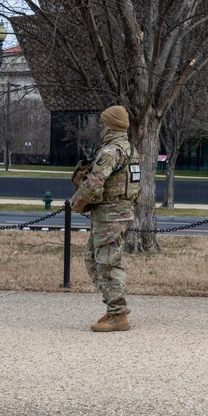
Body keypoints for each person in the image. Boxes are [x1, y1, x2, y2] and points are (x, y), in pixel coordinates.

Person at [70, 105, 141, 333]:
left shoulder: (111, 151)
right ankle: (113, 304)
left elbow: (94, 183)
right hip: (114, 213)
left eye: (102, 123)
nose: (100, 127)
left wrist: (76, 203)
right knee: (92, 257)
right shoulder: (130, 149)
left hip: (110, 215)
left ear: (109, 125)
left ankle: (118, 314)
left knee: (108, 261)